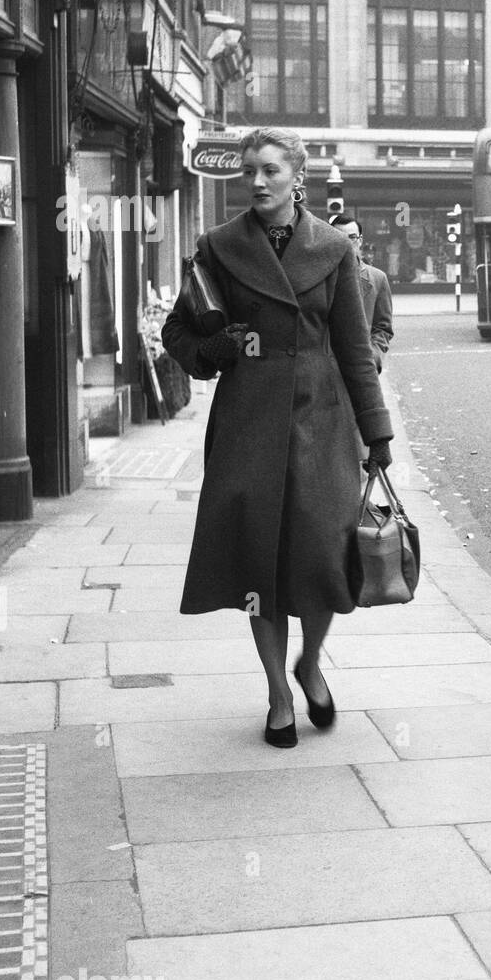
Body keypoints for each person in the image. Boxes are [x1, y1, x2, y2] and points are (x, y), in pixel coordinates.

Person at [162, 127, 394, 749]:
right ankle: (276, 692)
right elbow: (179, 337)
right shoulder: (217, 248)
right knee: (258, 568)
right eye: (249, 172)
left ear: (297, 176)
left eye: (270, 170)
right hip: (249, 425)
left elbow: (354, 350)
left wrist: (378, 433)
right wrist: (224, 347)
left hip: (323, 423)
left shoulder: (334, 251)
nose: (258, 181)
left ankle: (309, 661)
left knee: (324, 561)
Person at [330, 216, 394, 372]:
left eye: (352, 237)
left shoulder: (378, 278)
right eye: (339, 237)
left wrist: (374, 357)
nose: (347, 243)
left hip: (362, 368)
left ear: (360, 240)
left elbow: (383, 327)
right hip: (325, 369)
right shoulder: (319, 276)